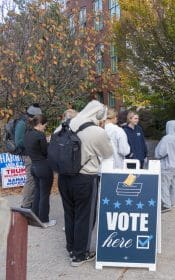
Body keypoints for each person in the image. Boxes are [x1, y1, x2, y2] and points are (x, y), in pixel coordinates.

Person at [58, 100, 113, 267]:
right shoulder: (96, 131)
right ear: (98, 115)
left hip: (64, 177)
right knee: (85, 217)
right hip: (85, 179)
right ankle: (80, 255)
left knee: (70, 214)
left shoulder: (64, 126)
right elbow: (108, 153)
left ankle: (71, 248)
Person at [23, 114, 55, 227]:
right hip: (43, 167)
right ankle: (44, 220)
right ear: (40, 124)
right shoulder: (40, 135)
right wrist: (49, 142)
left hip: (34, 167)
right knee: (45, 194)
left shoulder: (27, 134)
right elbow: (46, 152)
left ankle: (35, 217)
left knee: (38, 192)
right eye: (45, 125)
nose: (45, 128)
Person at [17, 104, 42, 209]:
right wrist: (33, 141)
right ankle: (26, 205)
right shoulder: (22, 124)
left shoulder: (29, 123)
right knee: (30, 180)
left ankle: (31, 203)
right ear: (32, 115)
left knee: (34, 180)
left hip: (33, 154)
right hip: (27, 156)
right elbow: (19, 142)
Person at [155, 120, 175, 213]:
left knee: (164, 185)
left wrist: (156, 151)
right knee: (174, 184)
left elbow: (160, 153)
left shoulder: (166, 138)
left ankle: (166, 204)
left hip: (167, 165)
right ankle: (172, 202)